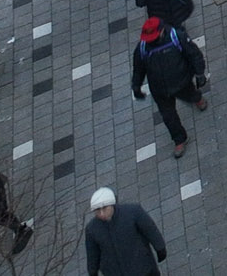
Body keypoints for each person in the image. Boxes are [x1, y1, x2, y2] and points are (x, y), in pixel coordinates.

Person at [128, 17, 208, 156]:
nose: (150, 41)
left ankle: (197, 99)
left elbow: (193, 54)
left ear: (162, 31)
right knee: (168, 117)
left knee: (191, 95)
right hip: (160, 90)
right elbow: (138, 70)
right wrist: (136, 86)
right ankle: (179, 140)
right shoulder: (141, 48)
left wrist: (199, 73)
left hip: (182, 82)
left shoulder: (177, 37)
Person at [83, 189, 164, 276]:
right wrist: (93, 272)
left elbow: (150, 229)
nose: (102, 213)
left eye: (104, 208)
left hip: (144, 269)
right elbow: (92, 255)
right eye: (98, 210)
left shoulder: (133, 212)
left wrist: (160, 248)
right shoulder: (91, 230)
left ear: (112, 205)